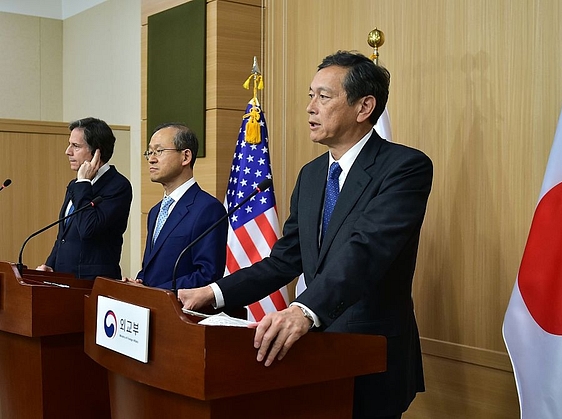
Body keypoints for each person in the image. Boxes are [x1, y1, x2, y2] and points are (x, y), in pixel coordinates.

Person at [179, 51, 433, 419]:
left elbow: (366, 251)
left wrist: (303, 309)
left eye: (324, 97)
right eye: (310, 95)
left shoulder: (405, 168)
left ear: (364, 107)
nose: (310, 107)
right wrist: (214, 293)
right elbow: (285, 260)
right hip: (312, 354)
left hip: (371, 354)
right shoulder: (312, 175)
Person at [122, 123, 226, 290]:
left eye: (159, 151)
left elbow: (208, 275)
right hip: (151, 308)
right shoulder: (156, 211)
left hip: (181, 311)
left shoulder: (208, 209)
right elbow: (152, 269)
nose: (151, 158)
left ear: (185, 157)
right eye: (149, 152)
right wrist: (139, 282)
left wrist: (158, 292)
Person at [37, 117, 133, 280]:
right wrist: (50, 265)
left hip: (92, 283)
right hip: (63, 279)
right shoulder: (75, 184)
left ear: (97, 151)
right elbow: (64, 236)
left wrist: (83, 182)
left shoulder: (118, 186)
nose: (68, 151)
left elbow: (88, 229)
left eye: (76, 146)